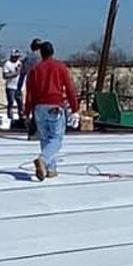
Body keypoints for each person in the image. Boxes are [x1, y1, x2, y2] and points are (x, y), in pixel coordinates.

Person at [22, 40, 80, 181]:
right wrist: (75, 109)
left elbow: (29, 92)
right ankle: (43, 159)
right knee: (56, 138)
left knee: (44, 138)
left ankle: (50, 169)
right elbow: (70, 88)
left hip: (38, 107)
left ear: (41, 53)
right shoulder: (60, 67)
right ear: (53, 52)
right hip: (55, 105)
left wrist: (27, 112)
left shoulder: (35, 70)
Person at [18, 38, 44, 133]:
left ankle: (34, 128)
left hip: (32, 84)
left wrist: (19, 87)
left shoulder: (28, 58)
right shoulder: (44, 58)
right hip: (44, 85)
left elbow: (22, 73)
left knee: (34, 107)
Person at [2, 50, 24, 120]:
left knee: (20, 103)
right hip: (10, 87)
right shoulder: (7, 64)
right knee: (11, 102)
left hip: (19, 87)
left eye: (17, 57)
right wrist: (15, 73)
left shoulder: (20, 63)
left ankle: (21, 117)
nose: (16, 58)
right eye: (15, 57)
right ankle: (10, 117)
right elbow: (5, 75)